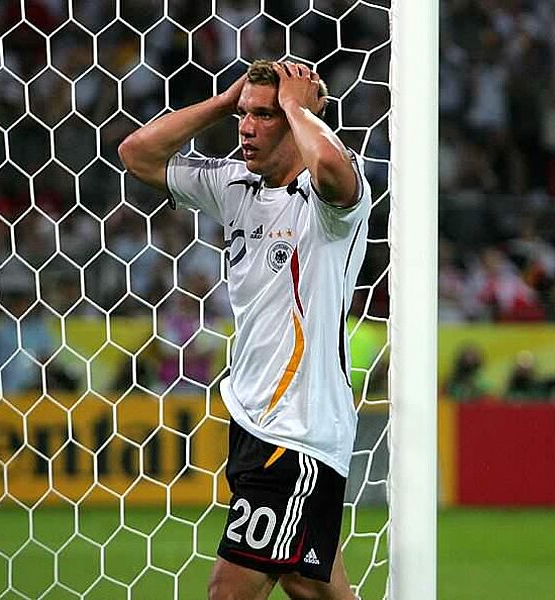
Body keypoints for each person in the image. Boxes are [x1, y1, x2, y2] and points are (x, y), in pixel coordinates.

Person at [119, 59, 370, 600]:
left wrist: (296, 106)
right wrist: (221, 102)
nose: (247, 128)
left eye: (265, 115)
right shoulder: (234, 186)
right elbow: (137, 154)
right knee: (309, 584)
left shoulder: (325, 203)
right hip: (251, 419)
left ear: (298, 117)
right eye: (244, 115)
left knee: (228, 590)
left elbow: (332, 167)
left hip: (296, 429)